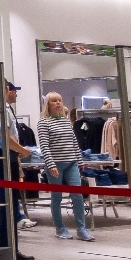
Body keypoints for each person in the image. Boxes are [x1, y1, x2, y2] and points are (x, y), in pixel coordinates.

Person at [0, 76, 35, 260]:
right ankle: (1, 246)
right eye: (13, 90)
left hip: (2, 156)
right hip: (3, 157)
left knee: (9, 204)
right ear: (6, 89)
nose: (16, 93)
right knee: (9, 204)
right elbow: (5, 136)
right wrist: (23, 151)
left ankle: (5, 246)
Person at [39, 92, 95, 242]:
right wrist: (50, 164)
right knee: (56, 197)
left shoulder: (65, 121)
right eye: (54, 101)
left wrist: (80, 161)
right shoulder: (43, 123)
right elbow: (44, 146)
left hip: (71, 163)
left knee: (77, 195)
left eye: (59, 100)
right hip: (55, 165)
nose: (58, 103)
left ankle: (81, 229)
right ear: (48, 104)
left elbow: (74, 143)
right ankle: (60, 227)